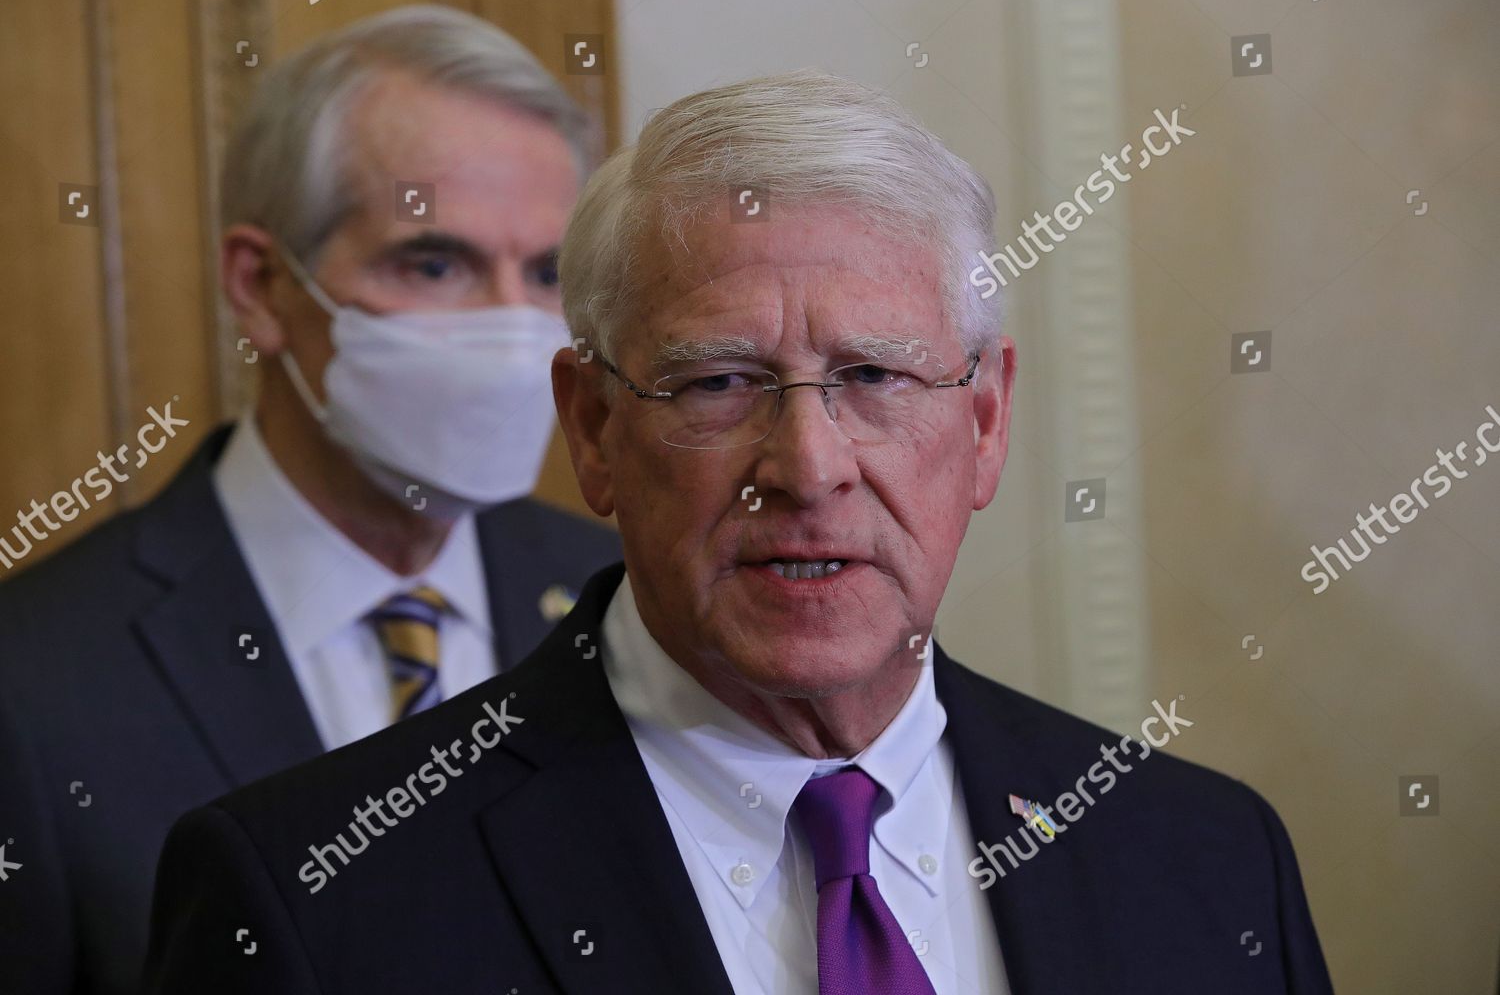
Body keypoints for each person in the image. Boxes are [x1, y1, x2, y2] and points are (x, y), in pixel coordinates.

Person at [139, 70, 1333, 994]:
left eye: (874, 374)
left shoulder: (1205, 857)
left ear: (985, 419)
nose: (807, 468)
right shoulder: (315, 898)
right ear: (595, 427)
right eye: (719, 383)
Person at [0, 7, 620, 995]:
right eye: (432, 262)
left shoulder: (620, 603)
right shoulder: (34, 683)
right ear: (259, 287)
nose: (512, 326)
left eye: (547, 272)